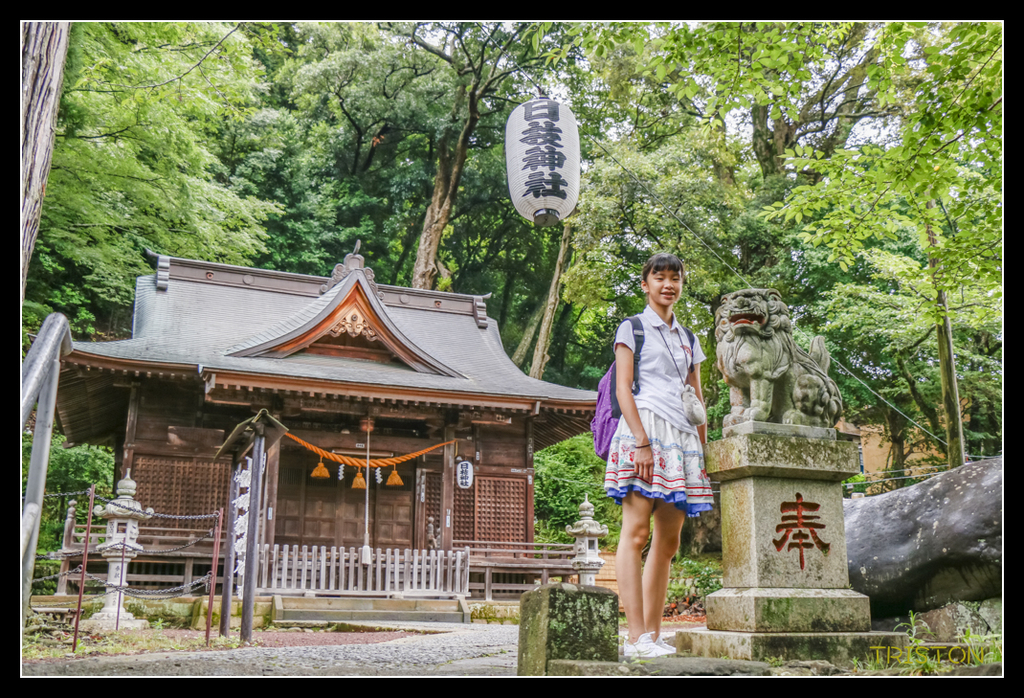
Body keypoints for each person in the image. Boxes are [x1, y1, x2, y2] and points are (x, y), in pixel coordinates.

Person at [603, 252, 713, 658]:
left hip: (683, 439)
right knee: (635, 533)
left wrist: (702, 449)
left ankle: (652, 633)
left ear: (682, 285)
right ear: (645, 284)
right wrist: (642, 442)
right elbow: (623, 388)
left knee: (668, 542)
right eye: (660, 277)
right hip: (644, 430)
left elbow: (696, 397)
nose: (668, 284)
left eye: (675, 278)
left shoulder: (690, 338)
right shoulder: (632, 328)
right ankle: (634, 638)